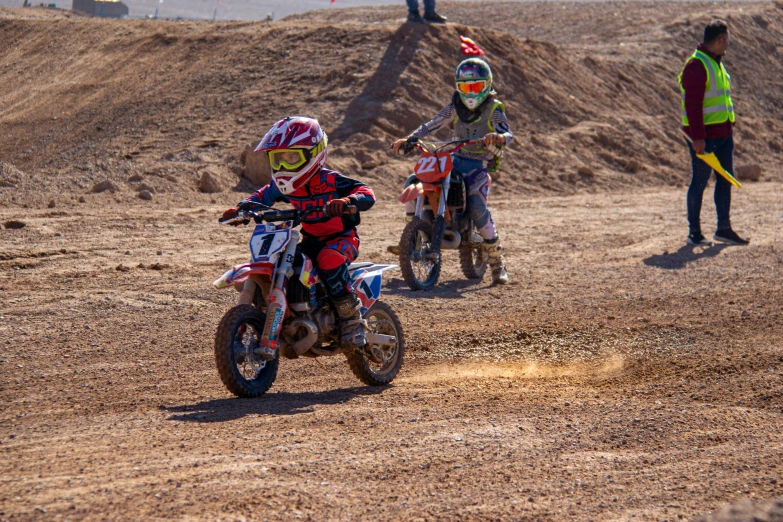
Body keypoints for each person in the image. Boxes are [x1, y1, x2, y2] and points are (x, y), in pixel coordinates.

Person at [221, 117, 376, 347]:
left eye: (292, 157)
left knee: (328, 260)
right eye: (278, 158)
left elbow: (366, 191)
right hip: (310, 240)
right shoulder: (285, 186)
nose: (284, 166)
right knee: (284, 263)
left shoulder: (330, 180)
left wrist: (347, 200)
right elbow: (261, 197)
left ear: (314, 154)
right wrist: (242, 210)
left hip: (341, 239)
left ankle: (351, 320)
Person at [392, 57, 511, 285]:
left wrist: (499, 137)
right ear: (458, 87)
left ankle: (497, 261)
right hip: (454, 158)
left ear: (486, 86)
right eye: (466, 87)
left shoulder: (494, 109)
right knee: (413, 181)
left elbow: (509, 134)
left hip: (477, 165)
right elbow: (433, 123)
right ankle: (412, 239)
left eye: (475, 87)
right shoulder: (455, 105)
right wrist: (410, 138)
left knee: (476, 205)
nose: (470, 92)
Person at [679, 19, 748, 246]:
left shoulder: (716, 63)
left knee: (725, 179)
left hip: (723, 134)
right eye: (727, 39)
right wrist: (698, 138)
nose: (729, 43)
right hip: (705, 139)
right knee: (699, 183)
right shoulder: (696, 66)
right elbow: (693, 106)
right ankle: (694, 233)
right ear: (720, 40)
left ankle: (724, 229)